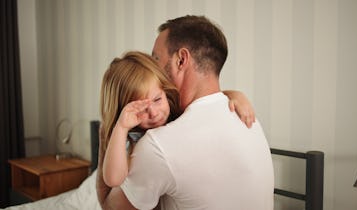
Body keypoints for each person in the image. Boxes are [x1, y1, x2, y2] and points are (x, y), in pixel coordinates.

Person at [97, 15, 274, 210]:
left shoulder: (158, 146)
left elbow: (109, 205)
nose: (152, 69)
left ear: (181, 60)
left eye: (156, 58)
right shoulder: (247, 117)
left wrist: (108, 130)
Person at [100, 51, 255, 188]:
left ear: (165, 91)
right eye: (141, 109)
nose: (153, 113)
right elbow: (113, 180)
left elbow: (210, 98)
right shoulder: (129, 138)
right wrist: (120, 128)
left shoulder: (178, 113)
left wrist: (234, 95)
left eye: (157, 99)